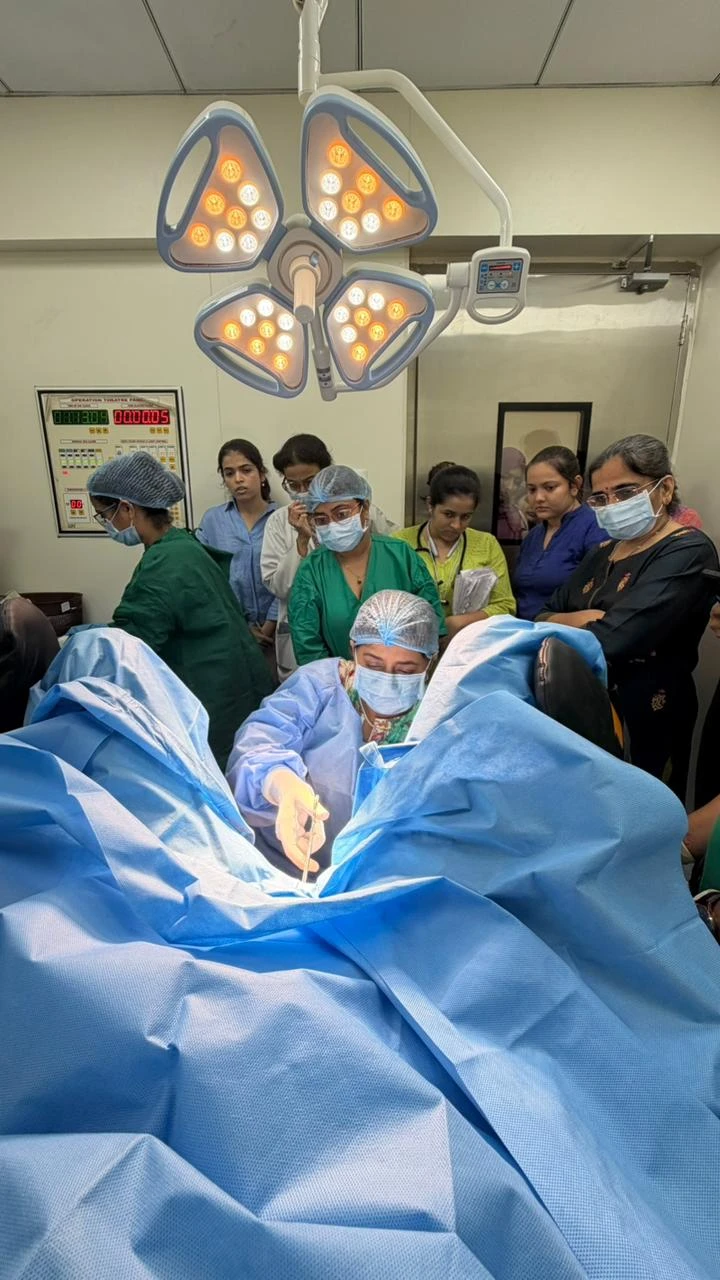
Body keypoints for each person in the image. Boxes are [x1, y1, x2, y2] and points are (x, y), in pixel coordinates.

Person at [539, 433, 718, 799]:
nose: (612, 505)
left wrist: (567, 621)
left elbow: (613, 639)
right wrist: (582, 617)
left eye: (625, 492)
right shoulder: (603, 551)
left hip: (649, 712)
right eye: (601, 498)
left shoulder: (687, 550)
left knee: (641, 810)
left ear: (665, 489)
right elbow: (541, 614)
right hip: (583, 706)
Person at [227, 589, 440, 876]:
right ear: (353, 649)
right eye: (373, 665)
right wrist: (280, 782)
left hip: (384, 878)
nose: (387, 679)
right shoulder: (319, 686)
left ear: (430, 662)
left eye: (404, 670)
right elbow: (260, 740)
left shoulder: (438, 718)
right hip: (285, 866)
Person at [87, 450, 273, 768]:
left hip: (214, 701)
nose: (106, 523)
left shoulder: (164, 562)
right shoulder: (183, 544)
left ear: (128, 508)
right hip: (239, 688)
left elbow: (130, 645)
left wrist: (79, 642)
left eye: (105, 514)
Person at [261, 433, 396, 681]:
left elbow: (389, 558)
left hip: (367, 637)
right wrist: (301, 541)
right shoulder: (279, 522)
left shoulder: (361, 511)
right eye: (293, 485)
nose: (302, 492)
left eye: (309, 482)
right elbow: (278, 587)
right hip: (303, 642)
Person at [289, 465, 445, 665]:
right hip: (335, 681)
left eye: (341, 514)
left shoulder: (400, 556)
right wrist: (342, 679)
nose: (332, 525)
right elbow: (307, 645)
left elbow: (432, 625)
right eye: (322, 519)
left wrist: (404, 673)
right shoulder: (312, 571)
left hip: (402, 674)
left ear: (365, 509)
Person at [395, 464, 515, 638]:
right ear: (430, 505)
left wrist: (458, 623)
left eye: (466, 517)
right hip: (410, 641)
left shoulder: (486, 544)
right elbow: (386, 601)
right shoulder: (400, 543)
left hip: (469, 642)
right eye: (449, 514)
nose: (457, 525)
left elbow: (505, 606)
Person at [197, 439, 279, 662]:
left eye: (246, 470)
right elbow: (208, 580)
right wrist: (242, 627)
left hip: (279, 633)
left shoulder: (282, 519)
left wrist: (270, 625)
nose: (238, 479)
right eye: (229, 473)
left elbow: (290, 577)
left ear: (262, 474)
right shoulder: (213, 521)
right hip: (231, 632)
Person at [513, 446, 607, 620]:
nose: (538, 498)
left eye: (549, 488)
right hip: (523, 629)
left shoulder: (595, 529)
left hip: (565, 631)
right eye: (532, 489)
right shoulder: (533, 536)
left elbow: (599, 598)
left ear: (575, 485)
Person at [497, 447, 529, 543]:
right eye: (506, 477)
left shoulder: (518, 516)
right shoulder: (480, 511)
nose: (510, 487)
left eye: (517, 481)